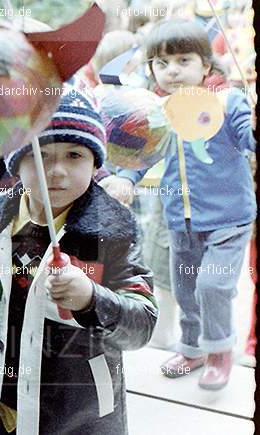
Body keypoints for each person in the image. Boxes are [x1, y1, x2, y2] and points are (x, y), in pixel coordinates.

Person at [0, 84, 158, 434]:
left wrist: (92, 299)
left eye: (74, 155)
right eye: (40, 154)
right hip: (0, 408)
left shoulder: (113, 231)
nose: (57, 170)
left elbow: (141, 324)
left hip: (82, 417)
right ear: (16, 162)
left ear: (96, 162)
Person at [100, 19, 255, 390]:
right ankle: (192, 349)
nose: (172, 70)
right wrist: (124, 178)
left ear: (206, 64)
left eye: (183, 60)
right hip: (180, 220)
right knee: (186, 289)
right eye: (162, 63)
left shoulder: (229, 100)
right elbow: (141, 156)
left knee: (213, 286)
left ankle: (219, 352)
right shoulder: (157, 110)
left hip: (228, 219)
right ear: (152, 69)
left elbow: (251, 141)